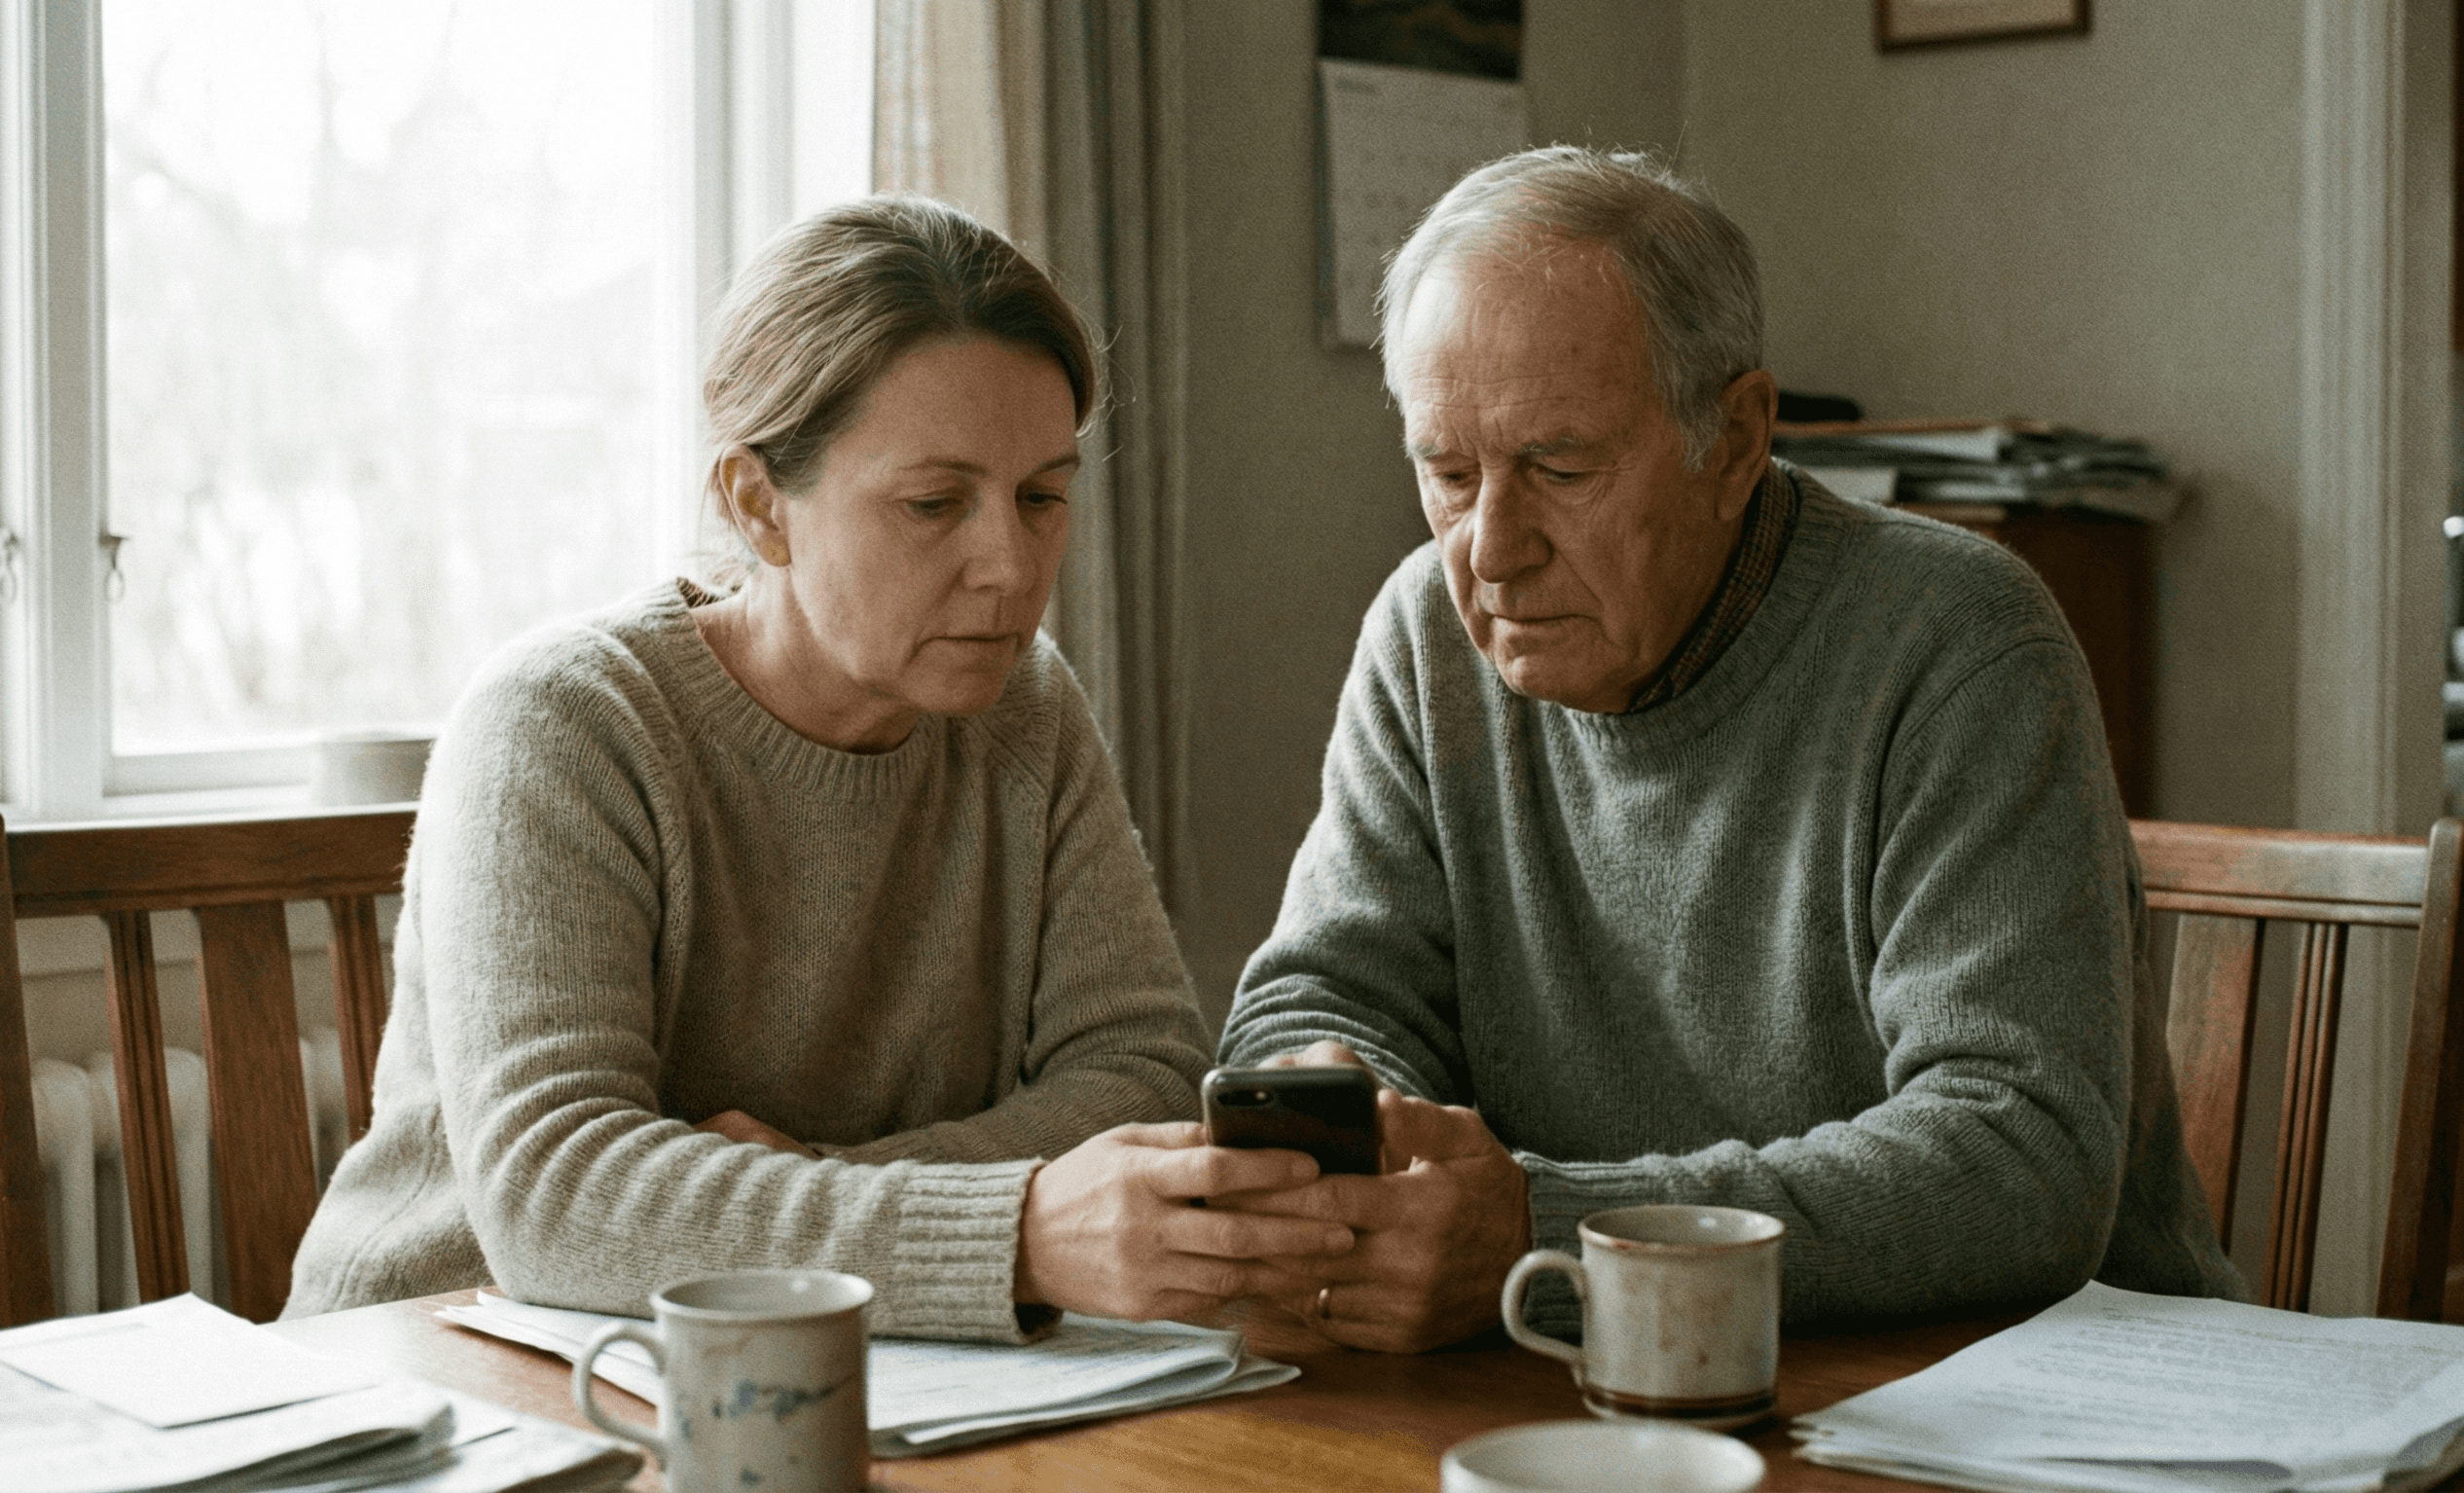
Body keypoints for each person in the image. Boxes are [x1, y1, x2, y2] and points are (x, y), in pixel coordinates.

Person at [1214, 147, 2243, 1353]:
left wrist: (1545, 1225)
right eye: (1448, 473)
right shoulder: (1425, 634)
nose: (1491, 549)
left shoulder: (1958, 642)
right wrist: (1349, 1105)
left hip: (2031, 1395)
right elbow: (1323, 989)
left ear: (1739, 440)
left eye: (1559, 467)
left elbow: (2018, 1156)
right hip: (1600, 1373)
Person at [286, 197, 1349, 1335]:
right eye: (934, 503)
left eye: (1043, 495)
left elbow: (1138, 1076)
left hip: (819, 1366)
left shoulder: (1026, 707)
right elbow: (562, 1201)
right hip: (442, 1371)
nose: (1010, 564)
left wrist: (813, 1189)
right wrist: (1018, 1228)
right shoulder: (560, 722)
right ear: (758, 506)